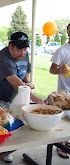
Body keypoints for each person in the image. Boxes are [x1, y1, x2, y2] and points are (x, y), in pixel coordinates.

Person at [0, 31, 44, 163]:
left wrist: (27, 82)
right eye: (20, 50)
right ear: (10, 46)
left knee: (8, 123)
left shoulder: (24, 55)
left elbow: (25, 69)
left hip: (9, 97)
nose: (23, 53)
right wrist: (33, 97)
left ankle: (5, 151)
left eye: (25, 49)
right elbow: (14, 80)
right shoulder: (1, 58)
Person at [50, 23, 70, 159]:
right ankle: (61, 144)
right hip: (64, 93)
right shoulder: (62, 50)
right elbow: (52, 69)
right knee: (63, 121)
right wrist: (59, 70)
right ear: (68, 33)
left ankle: (67, 141)